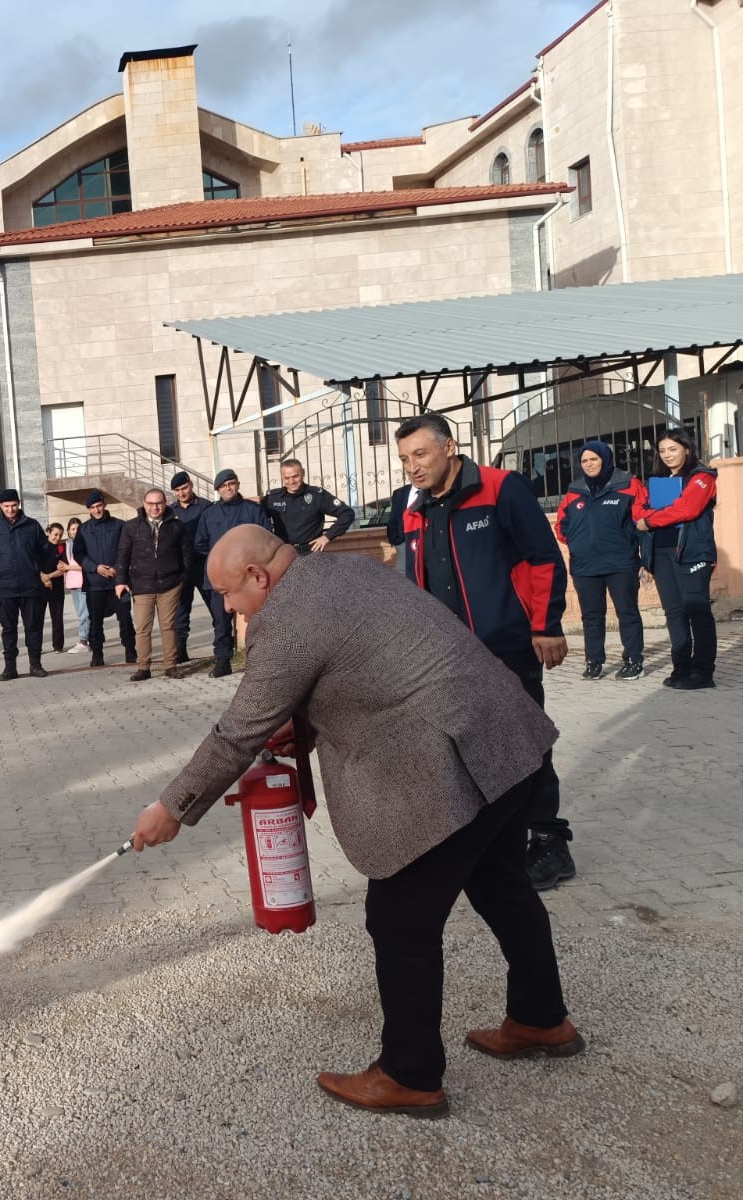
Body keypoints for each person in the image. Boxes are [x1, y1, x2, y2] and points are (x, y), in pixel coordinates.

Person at [129, 526, 581, 1119]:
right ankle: (541, 1019)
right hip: (506, 738)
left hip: (451, 762)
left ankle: (410, 1074)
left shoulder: (287, 620)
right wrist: (309, 727)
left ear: (259, 577)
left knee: (400, 921)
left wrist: (172, 809)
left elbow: (237, 733)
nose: (229, 608)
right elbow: (369, 661)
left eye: (228, 594)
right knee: (501, 884)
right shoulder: (345, 569)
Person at [395, 414, 574, 892]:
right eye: (405, 459)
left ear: (449, 447)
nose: (412, 467)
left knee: (527, 743)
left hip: (506, 646)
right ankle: (489, 841)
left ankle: (550, 843)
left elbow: (543, 558)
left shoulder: (501, 488)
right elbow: (410, 582)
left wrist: (546, 624)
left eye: (421, 454)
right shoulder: (415, 508)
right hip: (445, 659)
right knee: (461, 747)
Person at [634, 427, 720, 690]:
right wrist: (646, 519)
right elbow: (638, 509)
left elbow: (687, 508)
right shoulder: (658, 482)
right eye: (662, 450)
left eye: (673, 449)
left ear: (687, 449)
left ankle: (703, 672)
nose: (667, 455)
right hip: (661, 552)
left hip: (692, 552)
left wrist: (650, 520)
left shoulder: (702, 477)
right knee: (674, 613)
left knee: (697, 610)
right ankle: (681, 667)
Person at [555, 440, 646, 681]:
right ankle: (594, 661)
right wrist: (576, 543)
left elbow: (643, 521)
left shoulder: (628, 484)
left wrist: (641, 554)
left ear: (605, 459)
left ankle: (633, 660)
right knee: (591, 616)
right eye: (584, 460)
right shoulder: (575, 489)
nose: (589, 464)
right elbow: (561, 525)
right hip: (585, 566)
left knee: (627, 612)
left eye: (593, 459)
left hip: (621, 563)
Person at [194, 469, 273, 677]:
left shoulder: (252, 510)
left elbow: (265, 536)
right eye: (223, 486)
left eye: (231, 484)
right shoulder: (209, 514)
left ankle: (260, 660)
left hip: (248, 576)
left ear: (237, 485)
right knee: (220, 621)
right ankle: (222, 661)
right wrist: (221, 557)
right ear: (218, 490)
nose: (227, 488)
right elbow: (200, 543)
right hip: (220, 578)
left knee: (257, 619)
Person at [0, 488, 59, 681]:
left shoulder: (32, 526)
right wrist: (1, 566)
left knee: (33, 626)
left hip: (30, 586)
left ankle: (35, 665)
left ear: (19, 504)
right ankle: (10, 668)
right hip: (5, 588)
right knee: (8, 628)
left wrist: (36, 568)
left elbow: (45, 551)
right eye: (6, 506)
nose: (11, 509)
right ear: (0, 507)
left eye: (14, 505)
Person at [114, 489, 188, 681]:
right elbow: (123, 554)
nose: (155, 507)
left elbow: (186, 553)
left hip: (170, 584)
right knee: (143, 628)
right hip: (142, 584)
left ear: (165, 503)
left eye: (159, 503)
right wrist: (120, 581)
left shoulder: (177, 526)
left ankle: (170, 665)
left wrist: (182, 577)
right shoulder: (131, 526)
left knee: (168, 626)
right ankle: (143, 667)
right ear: (144, 504)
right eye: (151, 503)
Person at [72, 491, 136, 668]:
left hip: (118, 582)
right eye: (92, 507)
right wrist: (95, 568)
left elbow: (126, 549)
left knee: (125, 619)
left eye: (99, 506)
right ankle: (97, 654)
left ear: (104, 504)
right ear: (89, 509)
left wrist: (117, 567)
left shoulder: (119, 525)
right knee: (95, 622)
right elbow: (78, 553)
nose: (96, 510)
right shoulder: (83, 530)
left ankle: (131, 650)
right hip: (94, 583)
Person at [168, 470, 214, 664]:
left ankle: (225, 645)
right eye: (177, 490)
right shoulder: (169, 512)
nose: (182, 493)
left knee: (215, 606)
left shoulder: (206, 506)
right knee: (181, 611)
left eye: (184, 488)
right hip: (181, 569)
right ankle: (181, 652)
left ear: (191, 485)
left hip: (203, 565)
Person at [262, 459, 355, 553]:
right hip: (284, 553)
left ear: (303, 473)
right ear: (282, 477)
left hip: (311, 553)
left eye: (295, 476)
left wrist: (327, 537)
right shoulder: (273, 498)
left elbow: (347, 514)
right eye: (287, 478)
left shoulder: (317, 495)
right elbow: (256, 518)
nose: (291, 481)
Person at [40, 523, 68, 655]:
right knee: (37, 619)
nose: (57, 537)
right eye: (55, 534)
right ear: (49, 532)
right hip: (40, 586)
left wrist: (49, 577)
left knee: (57, 618)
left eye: (60, 535)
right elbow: (34, 564)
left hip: (56, 586)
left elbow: (63, 568)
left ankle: (58, 645)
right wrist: (43, 578)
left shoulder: (62, 547)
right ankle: (36, 646)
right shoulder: (40, 546)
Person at [61, 517, 89, 654]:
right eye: (72, 529)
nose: (75, 531)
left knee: (85, 613)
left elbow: (86, 566)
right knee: (80, 614)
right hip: (73, 584)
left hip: (84, 582)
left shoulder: (86, 544)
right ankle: (89, 639)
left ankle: (83, 640)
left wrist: (68, 567)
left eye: (77, 528)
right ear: (68, 531)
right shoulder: (67, 545)